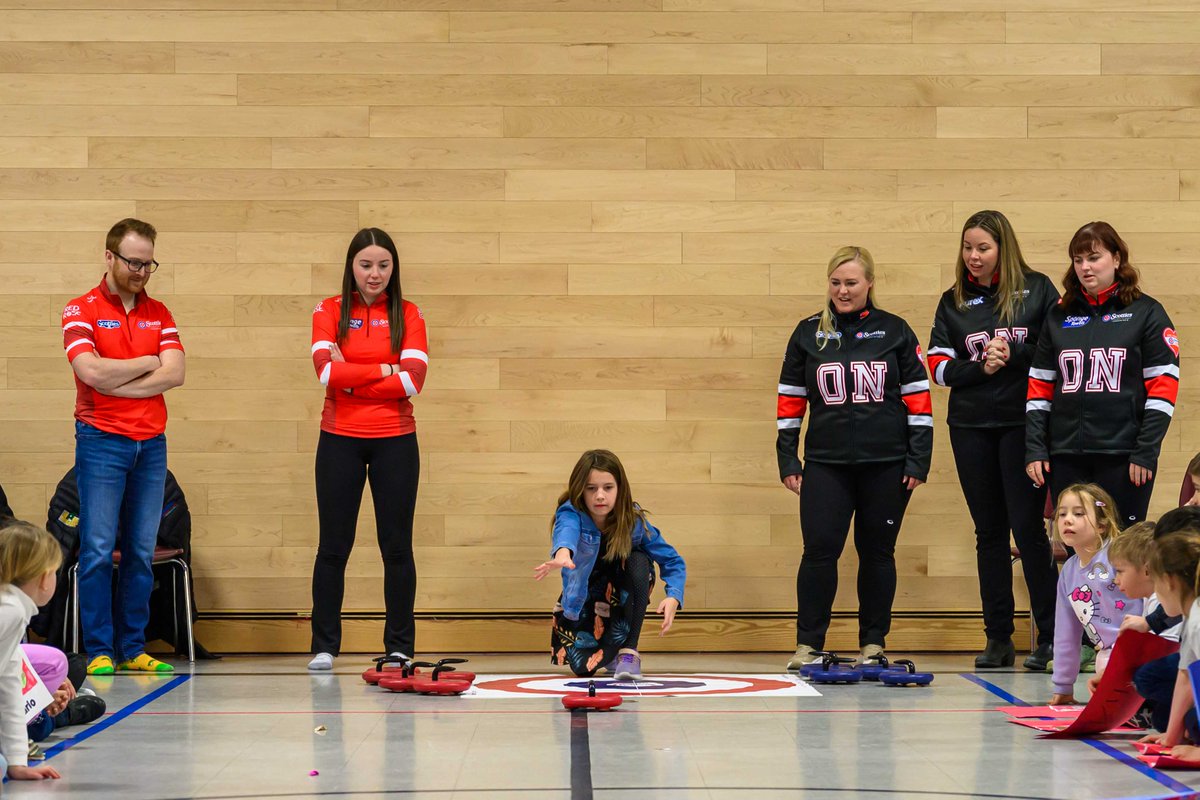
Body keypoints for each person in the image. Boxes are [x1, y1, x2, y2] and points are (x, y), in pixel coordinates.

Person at [776, 246, 933, 670]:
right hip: (826, 465)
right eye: (835, 282)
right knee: (819, 551)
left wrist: (918, 462)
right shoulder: (808, 333)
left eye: (851, 282)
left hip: (887, 466)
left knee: (878, 552)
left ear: (870, 284)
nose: (843, 291)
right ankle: (807, 645)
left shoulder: (896, 330)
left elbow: (920, 402)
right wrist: (788, 459)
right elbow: (790, 401)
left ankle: (872, 644)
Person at [927, 210, 1061, 671]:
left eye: (982, 248)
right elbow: (938, 366)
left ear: (1003, 247)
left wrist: (1016, 352)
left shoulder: (1038, 289)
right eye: (967, 247)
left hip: (1023, 425)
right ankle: (998, 638)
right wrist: (978, 367)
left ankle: (1049, 636)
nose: (973, 256)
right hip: (970, 428)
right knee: (988, 534)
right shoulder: (953, 301)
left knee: (1028, 531)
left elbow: (1059, 350)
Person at [62, 218, 184, 676]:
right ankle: (99, 649)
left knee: (139, 549)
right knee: (95, 547)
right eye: (133, 262)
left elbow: (175, 373)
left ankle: (133, 645)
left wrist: (121, 380)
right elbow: (90, 373)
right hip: (101, 442)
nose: (142, 271)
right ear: (109, 257)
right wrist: (147, 363)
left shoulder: (161, 312)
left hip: (150, 444)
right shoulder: (81, 310)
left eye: (149, 263)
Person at [308, 228, 428, 671]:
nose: (374, 274)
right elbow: (324, 373)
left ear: (393, 268)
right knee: (333, 547)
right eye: (365, 264)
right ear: (351, 266)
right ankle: (324, 646)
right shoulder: (329, 310)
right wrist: (385, 368)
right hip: (339, 437)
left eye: (383, 265)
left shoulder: (410, 314)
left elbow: (413, 379)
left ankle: (400, 646)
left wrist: (352, 374)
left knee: (396, 548)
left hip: (396, 440)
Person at [1026, 221, 1179, 529]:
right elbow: (1039, 389)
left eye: (1094, 258)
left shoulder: (1147, 312)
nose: (1085, 267)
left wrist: (1145, 451)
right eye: (1078, 260)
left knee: (1123, 549)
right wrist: (1035, 448)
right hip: (1066, 455)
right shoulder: (1058, 316)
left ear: (1117, 258)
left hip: (1124, 457)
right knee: (1076, 545)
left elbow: (1163, 391)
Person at [534, 450, 686, 679]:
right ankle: (611, 654)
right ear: (580, 490)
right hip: (590, 593)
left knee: (639, 560)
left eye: (608, 487)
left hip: (623, 588)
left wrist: (673, 595)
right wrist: (563, 552)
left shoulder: (632, 522)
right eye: (591, 488)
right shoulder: (571, 511)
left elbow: (671, 559)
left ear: (620, 489)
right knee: (583, 668)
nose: (600, 496)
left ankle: (629, 650)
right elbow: (566, 529)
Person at [1048, 484, 1140, 704]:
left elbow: (1147, 599)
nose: (1067, 519)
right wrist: (1063, 687)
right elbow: (1066, 633)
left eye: (1078, 513)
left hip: (1142, 646)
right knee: (1104, 665)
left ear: (1101, 525)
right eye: (1062, 513)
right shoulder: (1069, 572)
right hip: (1109, 655)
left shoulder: (1118, 558)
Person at [0, 521, 66, 781]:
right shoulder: (9, 610)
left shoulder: (14, 610)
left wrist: (17, 762)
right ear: (43, 577)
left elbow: (9, 688)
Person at [1103, 522, 1183, 732]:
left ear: (1147, 570)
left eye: (1120, 571)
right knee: (1161, 721)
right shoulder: (1151, 600)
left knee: (1145, 677)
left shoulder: (1164, 599)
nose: (1116, 578)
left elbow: (1171, 648)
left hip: (1185, 669)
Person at [1138, 531, 1200, 754]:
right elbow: (1186, 676)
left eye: (1155, 584)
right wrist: (1171, 737)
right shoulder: (1190, 616)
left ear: (1169, 582)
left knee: (1193, 722)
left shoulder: (1198, 621)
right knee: (1189, 722)